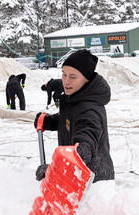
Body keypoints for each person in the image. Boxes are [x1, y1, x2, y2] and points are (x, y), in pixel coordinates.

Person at [34, 49, 114, 183]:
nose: (66, 81)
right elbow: (71, 121)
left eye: (73, 76)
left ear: (87, 80)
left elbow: (84, 148)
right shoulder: (75, 99)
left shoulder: (90, 110)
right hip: (78, 177)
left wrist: (55, 168)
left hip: (93, 183)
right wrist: (50, 122)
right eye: (64, 74)